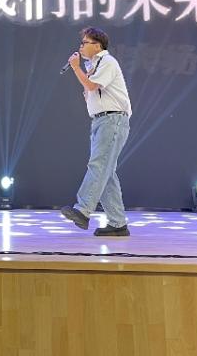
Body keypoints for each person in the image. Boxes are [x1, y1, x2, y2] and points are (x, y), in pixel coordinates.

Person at [59, 27, 133, 237]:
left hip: (113, 119)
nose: (81, 46)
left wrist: (75, 68)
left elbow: (92, 86)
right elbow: (91, 90)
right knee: (106, 173)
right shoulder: (94, 66)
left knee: (98, 166)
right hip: (102, 121)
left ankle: (83, 210)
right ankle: (118, 223)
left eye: (85, 43)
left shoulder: (107, 62)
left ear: (97, 46)